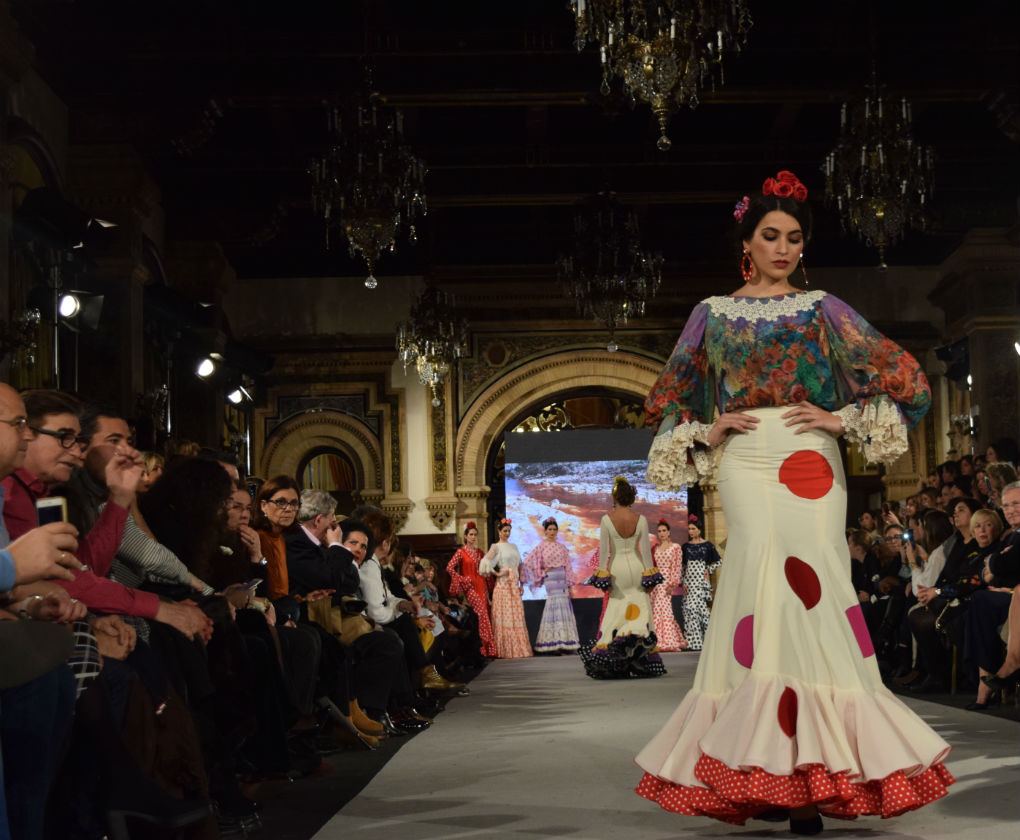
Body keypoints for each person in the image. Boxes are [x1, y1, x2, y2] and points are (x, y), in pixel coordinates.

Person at [635, 171, 952, 833]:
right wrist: (708, 428)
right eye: (771, 236)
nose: (784, 248)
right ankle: (774, 770)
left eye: (795, 238)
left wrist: (841, 419)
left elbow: (906, 379)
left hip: (812, 460)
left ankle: (815, 772)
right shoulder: (711, 316)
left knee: (819, 589)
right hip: (746, 463)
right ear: (747, 241)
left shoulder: (822, 308)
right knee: (757, 592)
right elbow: (667, 401)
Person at [579, 476, 664, 679]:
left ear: (615, 497)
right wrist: (649, 574)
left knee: (617, 609)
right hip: (636, 567)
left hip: (617, 569)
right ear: (632, 497)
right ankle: (638, 656)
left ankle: (615, 657)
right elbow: (644, 551)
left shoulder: (607, 519)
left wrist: (602, 574)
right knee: (639, 607)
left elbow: (605, 551)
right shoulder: (640, 519)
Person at [523, 517, 580, 654]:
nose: (552, 532)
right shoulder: (541, 546)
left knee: (564, 607)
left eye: (554, 529)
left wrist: (570, 586)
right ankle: (554, 644)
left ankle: (565, 643)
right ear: (545, 531)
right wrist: (542, 572)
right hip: (551, 580)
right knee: (554, 607)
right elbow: (528, 563)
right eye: (550, 529)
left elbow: (568, 567)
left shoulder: (562, 547)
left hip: (562, 580)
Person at [480, 518, 533, 659]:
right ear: (499, 531)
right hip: (503, 585)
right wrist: (497, 572)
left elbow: (520, 565)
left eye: (509, 531)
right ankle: (505, 650)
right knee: (505, 619)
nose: (507, 533)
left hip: (513, 586)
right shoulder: (496, 547)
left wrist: (521, 584)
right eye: (504, 531)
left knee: (516, 618)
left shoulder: (514, 546)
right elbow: (485, 562)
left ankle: (518, 650)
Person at [446, 522, 497, 657]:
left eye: (475, 535)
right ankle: (481, 648)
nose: (473, 537)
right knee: (481, 614)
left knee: (484, 613)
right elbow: (449, 567)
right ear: (465, 536)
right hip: (471, 587)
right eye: (471, 534)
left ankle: (487, 649)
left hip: (482, 585)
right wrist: (462, 580)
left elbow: (487, 567)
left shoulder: (480, 552)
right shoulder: (460, 552)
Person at [679, 515, 722, 652]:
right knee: (690, 611)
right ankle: (694, 642)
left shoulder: (707, 545)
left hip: (700, 582)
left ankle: (710, 640)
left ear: (699, 530)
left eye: (693, 528)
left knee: (701, 610)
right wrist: (682, 582)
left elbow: (720, 561)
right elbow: (682, 567)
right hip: (689, 583)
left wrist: (708, 569)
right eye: (689, 529)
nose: (690, 531)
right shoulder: (685, 547)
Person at [649, 519, 687, 652]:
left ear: (669, 532)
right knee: (655, 611)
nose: (661, 533)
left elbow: (677, 567)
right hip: (655, 584)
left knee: (665, 611)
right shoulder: (655, 548)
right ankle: (657, 640)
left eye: (664, 530)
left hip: (666, 583)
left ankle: (668, 640)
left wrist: (673, 583)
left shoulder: (675, 547)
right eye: (659, 531)